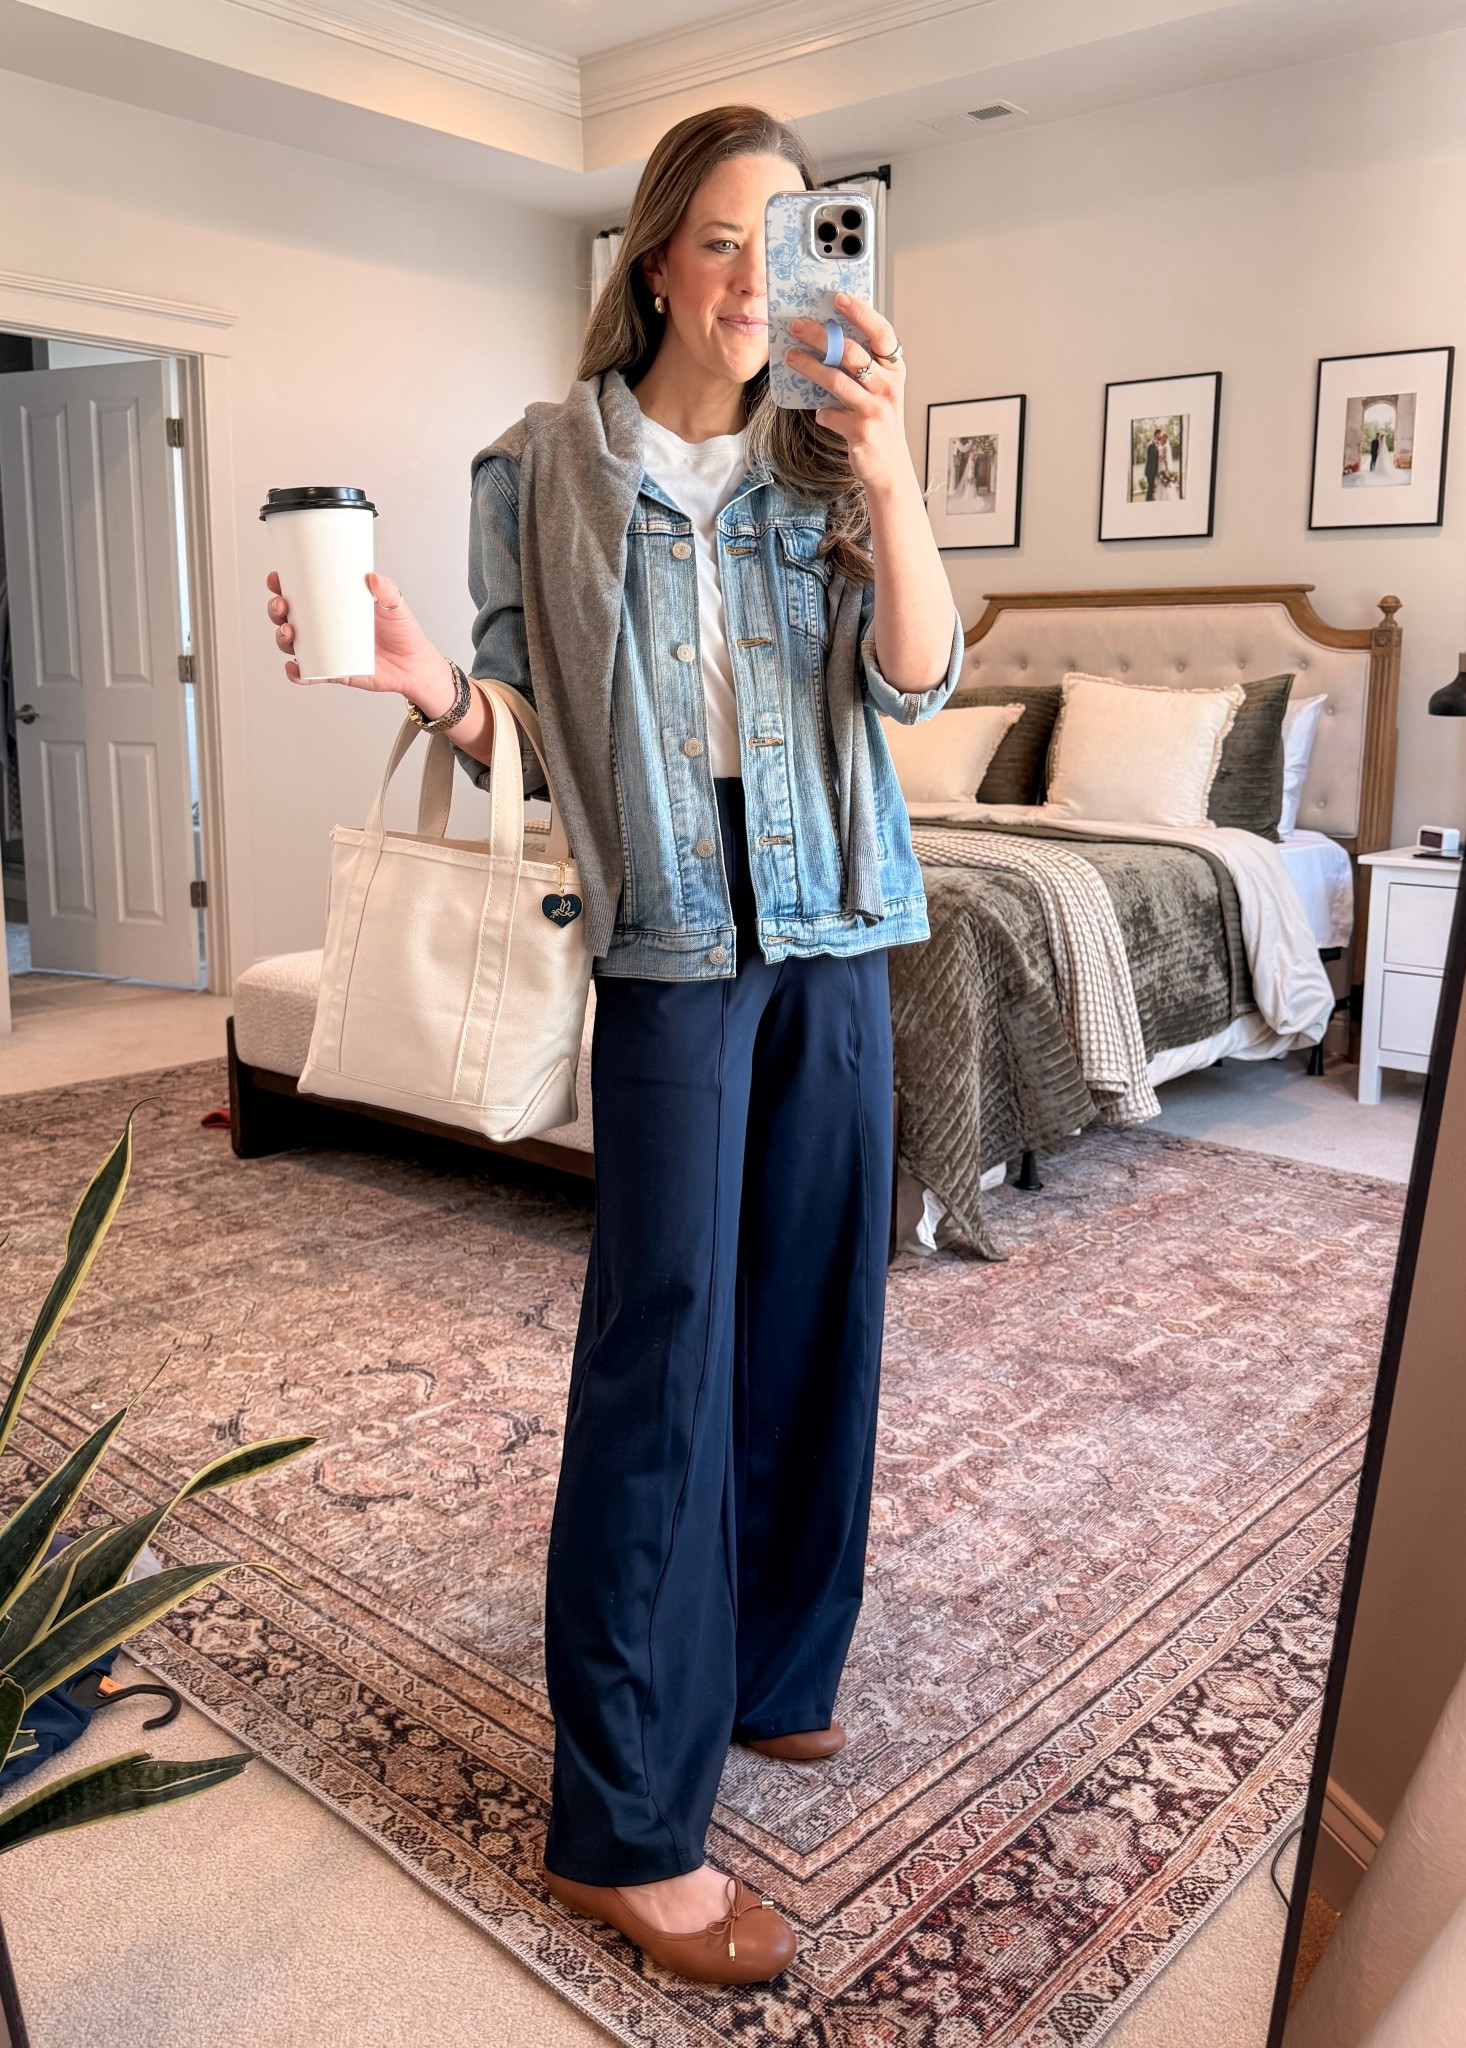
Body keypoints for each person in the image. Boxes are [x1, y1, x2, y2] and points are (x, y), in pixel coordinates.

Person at [264, 104, 962, 1987]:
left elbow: (918, 679)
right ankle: (626, 1825)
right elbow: (536, 732)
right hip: (664, 935)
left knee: (821, 1304)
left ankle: (779, 1664)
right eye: (723, 242)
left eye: (791, 241)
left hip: (838, 917)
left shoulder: (833, 463)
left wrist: (891, 478)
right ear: (654, 258)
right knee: (666, 1343)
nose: (756, 282)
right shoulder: (541, 467)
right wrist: (431, 687)